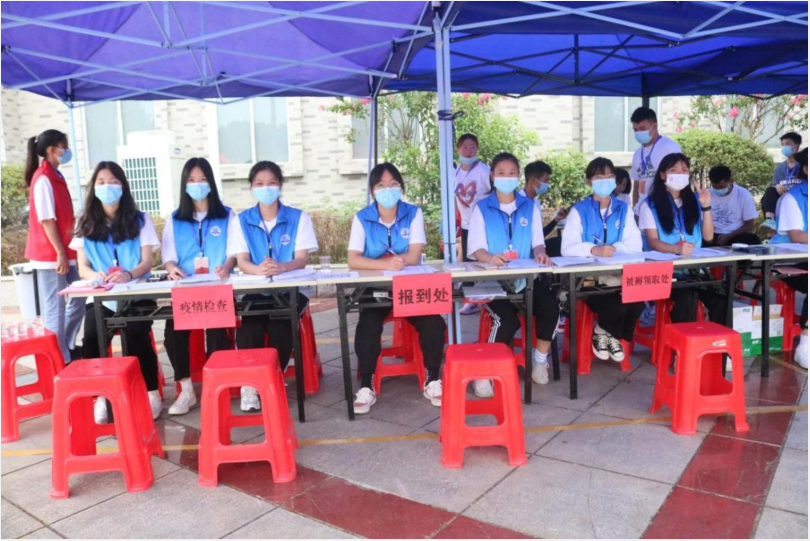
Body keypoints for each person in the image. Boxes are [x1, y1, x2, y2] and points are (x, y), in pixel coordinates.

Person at [348, 163, 446, 413]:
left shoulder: (413, 213)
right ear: (373, 190)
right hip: (375, 287)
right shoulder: (362, 218)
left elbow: (414, 255)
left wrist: (395, 262)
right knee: (368, 325)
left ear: (401, 187)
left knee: (434, 322)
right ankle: (366, 384)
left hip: (409, 287)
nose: (388, 190)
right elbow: (353, 259)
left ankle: (433, 379)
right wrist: (384, 264)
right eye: (381, 185)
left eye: (393, 184)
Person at [70, 162, 162, 422]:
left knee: (136, 334)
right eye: (101, 182)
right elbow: (83, 267)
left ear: (123, 186)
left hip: (137, 291)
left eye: (113, 181)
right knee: (92, 336)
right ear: (93, 187)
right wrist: (95, 276)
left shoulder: (140, 219)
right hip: (102, 295)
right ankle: (101, 396)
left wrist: (128, 274)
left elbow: (147, 262)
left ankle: (151, 393)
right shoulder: (85, 222)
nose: (107, 187)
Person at [229, 161, 319, 412]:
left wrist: (281, 267)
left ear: (280, 185)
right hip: (256, 289)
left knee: (281, 326)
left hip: (290, 289)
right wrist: (259, 270)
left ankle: (271, 380)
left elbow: (301, 259)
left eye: (271, 183)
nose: (265, 188)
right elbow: (242, 261)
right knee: (250, 328)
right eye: (259, 183)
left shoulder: (299, 218)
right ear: (251, 187)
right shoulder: (241, 220)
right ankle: (250, 384)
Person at [467, 153, 560, 391]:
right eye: (501, 173)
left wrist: (540, 253)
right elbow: (476, 249)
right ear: (492, 176)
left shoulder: (529, 206)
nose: (506, 177)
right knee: (506, 321)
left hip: (526, 278)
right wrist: (489, 258)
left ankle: (539, 360)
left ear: (518, 177)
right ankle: (484, 373)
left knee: (551, 305)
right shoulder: (482, 208)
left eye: (512, 173)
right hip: (492, 279)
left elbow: (538, 243)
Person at [161, 158, 238, 416]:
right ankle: (186, 390)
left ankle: (215, 387)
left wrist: (227, 266)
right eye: (191, 180)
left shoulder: (227, 215)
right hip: (187, 290)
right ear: (184, 185)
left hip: (218, 288)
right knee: (172, 334)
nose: (197, 185)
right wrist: (172, 268)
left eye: (202, 179)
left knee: (217, 334)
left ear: (211, 183)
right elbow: (169, 257)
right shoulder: (175, 219)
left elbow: (235, 252)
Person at [561, 158, 644, 362]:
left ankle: (605, 332)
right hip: (589, 278)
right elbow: (567, 248)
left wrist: (613, 249)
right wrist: (593, 249)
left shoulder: (623, 209)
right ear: (589, 181)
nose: (605, 180)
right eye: (599, 176)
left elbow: (635, 245)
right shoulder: (579, 210)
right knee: (617, 304)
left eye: (609, 176)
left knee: (637, 302)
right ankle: (607, 332)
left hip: (618, 274)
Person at [638, 153, 725, 324]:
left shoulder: (695, 200)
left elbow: (708, 237)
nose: (680, 174)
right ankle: (682, 340)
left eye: (684, 170)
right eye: (674, 170)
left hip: (695, 270)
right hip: (664, 272)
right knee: (687, 296)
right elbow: (653, 241)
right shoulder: (649, 205)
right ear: (663, 175)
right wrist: (676, 249)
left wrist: (706, 206)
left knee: (721, 296)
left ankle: (719, 338)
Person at [23, 129, 85, 363]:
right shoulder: (43, 178)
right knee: (55, 307)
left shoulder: (55, 175)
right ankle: (58, 358)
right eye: (64, 147)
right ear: (52, 150)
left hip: (64, 251)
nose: (67, 151)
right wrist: (59, 252)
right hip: (51, 254)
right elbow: (47, 220)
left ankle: (64, 346)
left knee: (80, 296)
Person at [771, 148, 808, 368]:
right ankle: (805, 344)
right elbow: (797, 236)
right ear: (807, 169)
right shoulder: (792, 198)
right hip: (788, 263)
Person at [454, 134, 491, 315]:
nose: (468, 151)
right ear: (458, 149)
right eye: (465, 147)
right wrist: (455, 220)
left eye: (472, 147)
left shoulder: (484, 170)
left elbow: (494, 193)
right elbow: (455, 197)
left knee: (482, 262)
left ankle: (486, 297)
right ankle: (472, 300)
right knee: (469, 264)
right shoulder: (456, 171)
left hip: (483, 224)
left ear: (477, 149)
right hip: (466, 224)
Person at [629, 107, 683, 212]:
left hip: (665, 210)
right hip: (642, 211)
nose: (638, 133)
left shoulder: (669, 147)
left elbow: (679, 180)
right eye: (635, 130)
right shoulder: (637, 153)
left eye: (642, 129)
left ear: (654, 126)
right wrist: (635, 209)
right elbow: (636, 186)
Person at [520, 160, 568, 257]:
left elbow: (539, 235)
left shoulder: (535, 202)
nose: (547, 185)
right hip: (523, 252)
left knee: (563, 242)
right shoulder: (518, 203)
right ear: (533, 181)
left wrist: (556, 220)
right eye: (545, 181)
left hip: (537, 249)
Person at [704, 165, 760, 247]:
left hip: (735, 235)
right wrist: (709, 238)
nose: (719, 190)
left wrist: (728, 236)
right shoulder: (706, 195)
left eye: (722, 187)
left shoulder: (743, 194)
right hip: (712, 235)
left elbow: (749, 225)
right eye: (715, 187)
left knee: (752, 239)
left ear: (730, 180)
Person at [761, 132, 803, 235]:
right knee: (769, 192)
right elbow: (775, 184)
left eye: (788, 144)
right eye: (783, 145)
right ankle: (770, 222)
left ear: (797, 145)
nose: (784, 147)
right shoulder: (780, 167)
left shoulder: (803, 165)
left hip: (799, 197)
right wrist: (777, 186)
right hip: (784, 197)